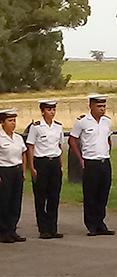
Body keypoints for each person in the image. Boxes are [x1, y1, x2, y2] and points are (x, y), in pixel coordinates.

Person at [69, 95, 115, 236]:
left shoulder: (107, 121)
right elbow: (72, 139)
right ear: (91, 106)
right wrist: (80, 158)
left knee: (103, 193)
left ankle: (100, 223)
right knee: (90, 194)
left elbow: (108, 138)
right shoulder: (82, 122)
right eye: (99, 106)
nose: (102, 109)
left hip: (104, 161)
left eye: (104, 106)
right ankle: (91, 225)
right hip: (90, 162)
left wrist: (108, 151)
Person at [26, 99, 65, 239]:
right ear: (42, 112)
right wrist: (32, 167)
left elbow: (60, 147)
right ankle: (43, 229)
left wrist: (61, 165)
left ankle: (53, 227)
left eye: (54, 109)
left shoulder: (58, 127)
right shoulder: (36, 127)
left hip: (54, 161)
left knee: (54, 196)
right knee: (41, 196)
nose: (52, 112)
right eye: (49, 109)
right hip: (41, 162)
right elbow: (31, 147)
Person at [0, 109, 28, 243]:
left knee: (15, 202)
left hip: (16, 171)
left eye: (14, 120)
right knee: (4, 202)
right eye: (10, 121)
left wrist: (23, 170)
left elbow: (23, 153)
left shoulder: (17, 137)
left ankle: (12, 229)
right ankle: (3, 232)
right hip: (4, 171)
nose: (13, 123)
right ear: (2, 123)